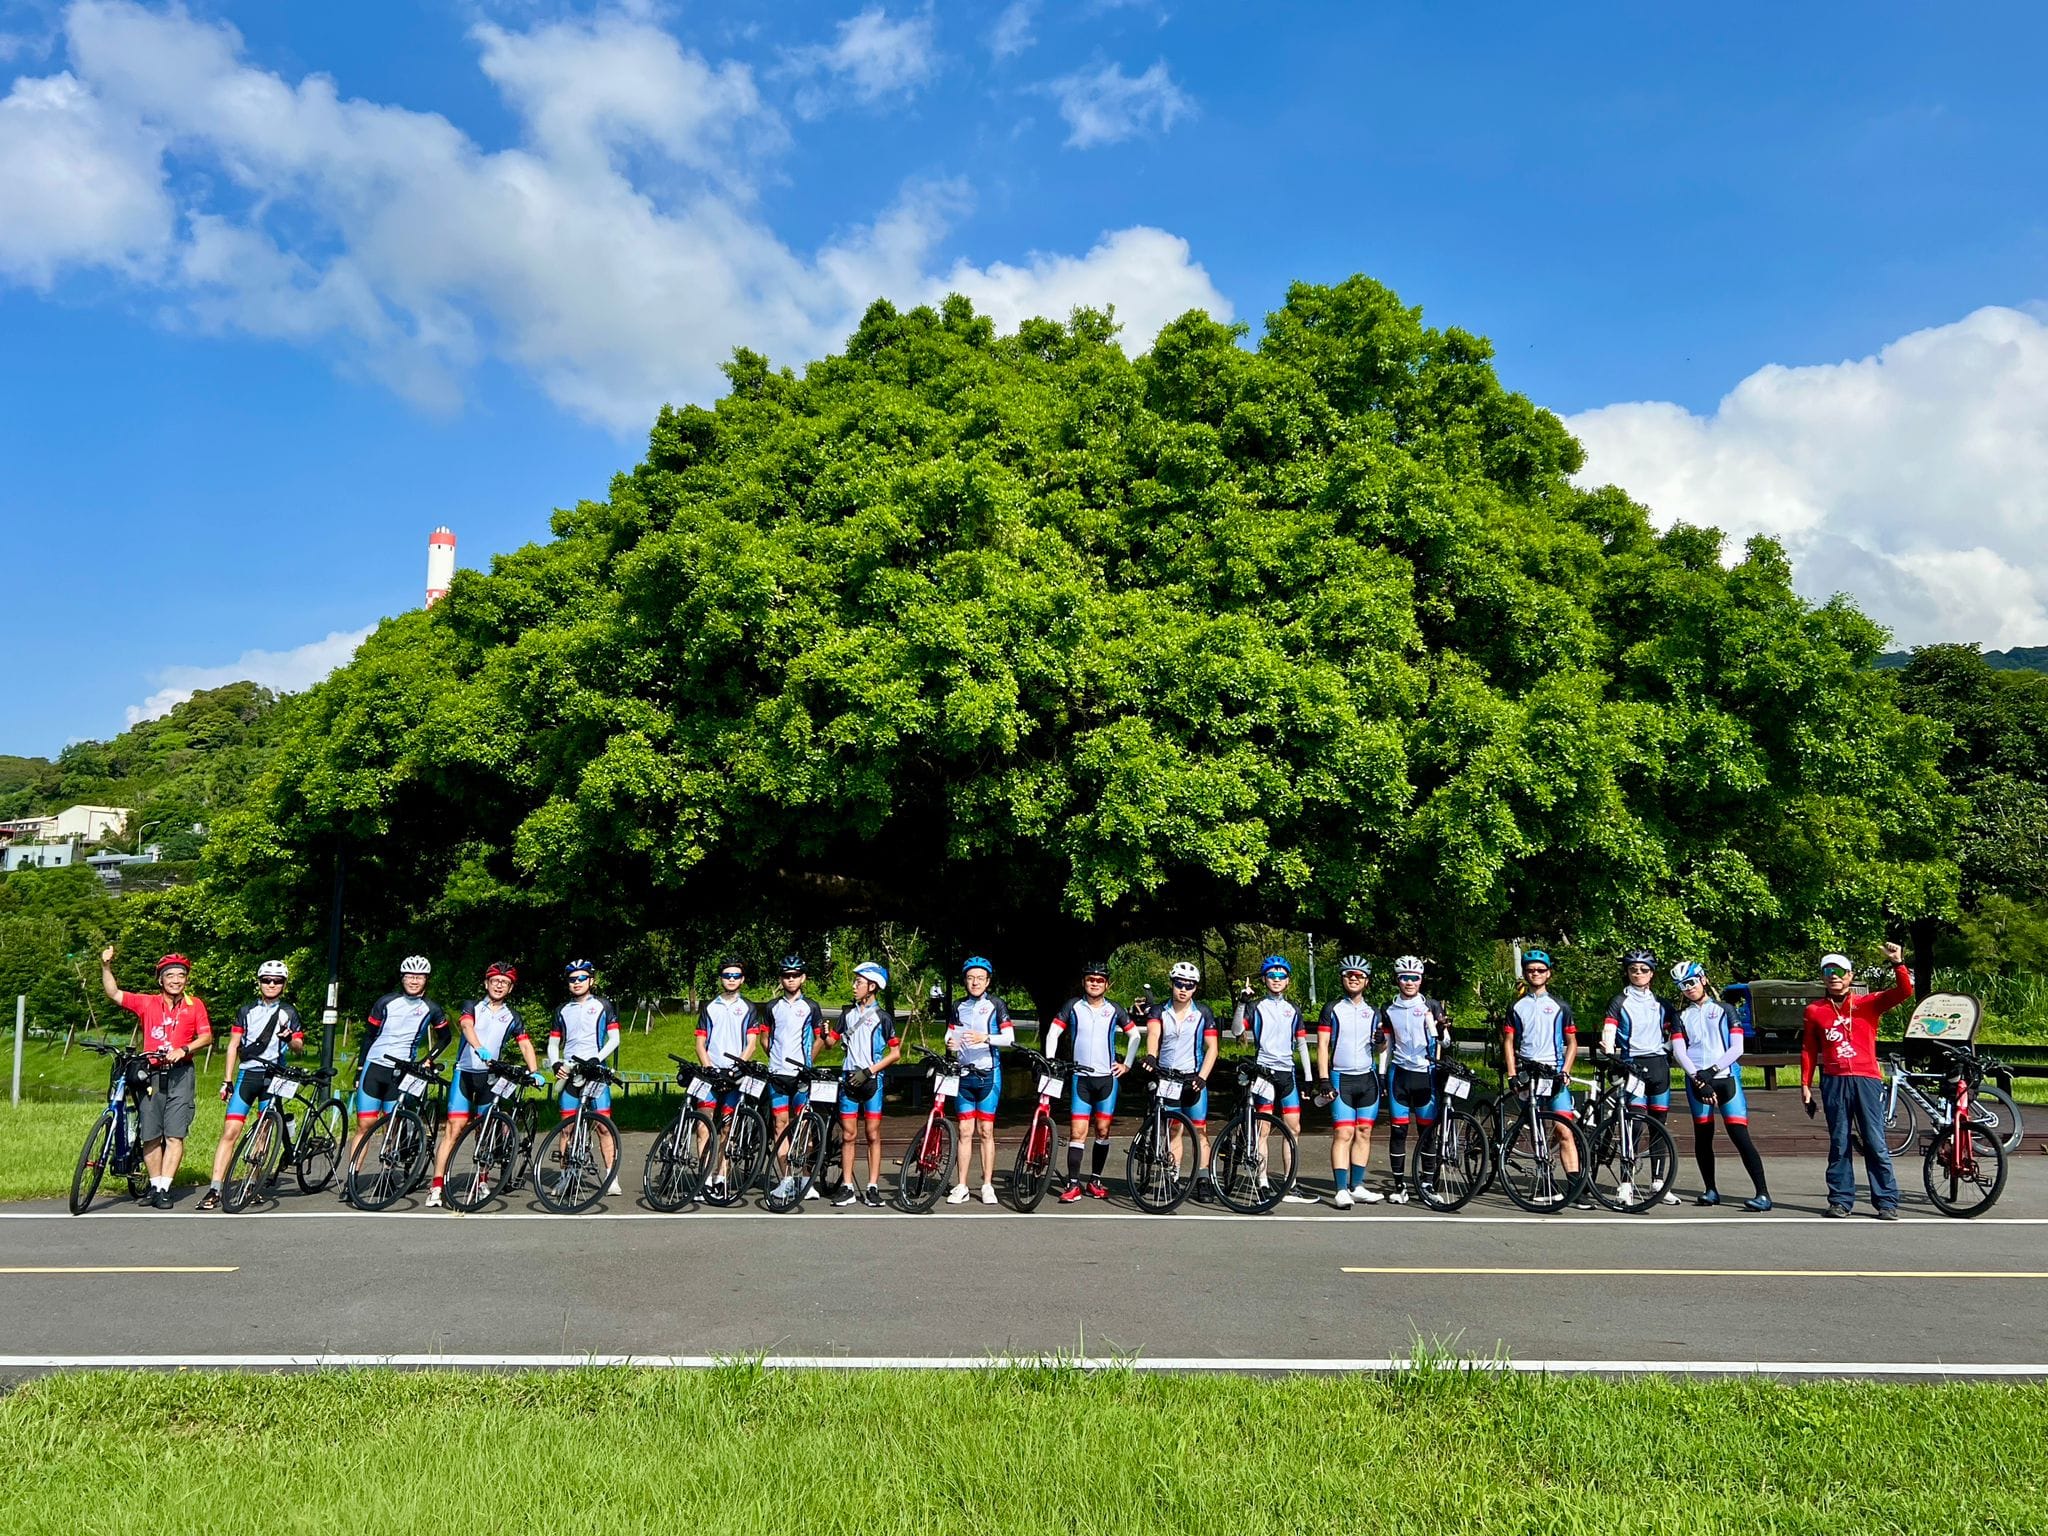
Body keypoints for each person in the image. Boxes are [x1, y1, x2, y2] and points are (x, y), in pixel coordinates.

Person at [1801, 942, 1913, 1219]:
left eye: (1840, 971)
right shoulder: (1815, 1010)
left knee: (1875, 1140)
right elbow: (1808, 1049)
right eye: (1828, 971)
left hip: (1866, 1079)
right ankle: (1840, 1199)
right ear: (1822, 977)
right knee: (1839, 1142)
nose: (1834, 976)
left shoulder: (1867, 1003)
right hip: (1834, 1080)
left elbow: (1904, 992)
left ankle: (1886, 1201)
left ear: (1850, 976)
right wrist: (1805, 1084)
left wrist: (1897, 963)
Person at [100, 945, 214, 1210]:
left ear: (186, 979)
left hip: (180, 1074)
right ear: (160, 979)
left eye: (181, 975)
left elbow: (206, 1037)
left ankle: (164, 1187)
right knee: (150, 1134)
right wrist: (106, 967)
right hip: (151, 1073)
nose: (176, 980)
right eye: (170, 975)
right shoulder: (147, 1002)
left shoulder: (194, 1005)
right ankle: (153, 1184)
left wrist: (184, 1049)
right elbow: (114, 993)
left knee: (175, 1134)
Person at [428, 961, 541, 1208]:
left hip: (490, 1079)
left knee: (486, 1132)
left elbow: (524, 1044)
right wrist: (479, 1047)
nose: (499, 985)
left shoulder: (512, 1016)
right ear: (486, 983)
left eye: (505, 982)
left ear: (510, 988)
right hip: (465, 1074)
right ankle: (437, 1185)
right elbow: (466, 1025)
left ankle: (481, 1179)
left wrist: (535, 1071)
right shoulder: (472, 1006)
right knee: (453, 1130)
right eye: (495, 981)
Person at [200, 959, 304, 1211]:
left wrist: (290, 1038)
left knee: (263, 1135)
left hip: (273, 1078)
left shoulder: (289, 1012)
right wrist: (227, 1079)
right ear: (259, 983)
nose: (271, 984)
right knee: (230, 1132)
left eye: (277, 981)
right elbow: (234, 1045)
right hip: (248, 1076)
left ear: (284, 984)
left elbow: (299, 1048)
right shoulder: (246, 1010)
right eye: (266, 980)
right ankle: (215, 1188)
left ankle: (252, 1183)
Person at [1668, 961, 1771, 1211]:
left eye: (1691, 982)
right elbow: (1680, 1052)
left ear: (1703, 979)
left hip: (1725, 1077)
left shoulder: (1725, 1009)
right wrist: (1697, 1078)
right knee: (1703, 1138)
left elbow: (1737, 1047)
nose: (1688, 989)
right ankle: (1710, 1190)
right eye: (1682, 986)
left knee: (1740, 1136)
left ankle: (1763, 1194)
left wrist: (1711, 1072)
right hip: (1697, 1080)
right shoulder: (1681, 1016)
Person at [348, 955, 449, 1170]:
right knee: (364, 1125)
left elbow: (445, 1037)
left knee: (393, 1124)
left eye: (419, 977)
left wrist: (428, 1059)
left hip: (403, 1070)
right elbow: (369, 1036)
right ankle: (352, 1175)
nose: (414, 981)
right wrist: (359, 1069)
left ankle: (388, 1171)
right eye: (410, 976)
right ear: (402, 978)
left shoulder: (432, 1008)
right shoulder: (385, 1002)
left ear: (426, 980)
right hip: (374, 1067)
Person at [1599, 949, 1683, 1206]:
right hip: (1631, 1065)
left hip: (1658, 1066)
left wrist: (1668, 1050)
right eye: (1634, 969)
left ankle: (1659, 1182)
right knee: (1633, 1125)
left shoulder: (1663, 1003)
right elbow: (1609, 1030)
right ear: (1627, 972)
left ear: (1652, 973)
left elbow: (1677, 1031)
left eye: (1644, 970)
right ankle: (1626, 1183)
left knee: (1659, 1124)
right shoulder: (1619, 1001)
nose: (1638, 974)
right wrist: (1610, 1051)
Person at [1501, 948, 1584, 1202]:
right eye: (1530, 970)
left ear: (1548, 974)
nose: (1535, 974)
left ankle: (1575, 1189)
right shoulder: (1517, 1006)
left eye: (1540, 970)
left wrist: (1565, 1071)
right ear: (1525, 974)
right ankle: (1544, 1183)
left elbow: (1572, 1042)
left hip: (1554, 1073)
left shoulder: (1560, 1006)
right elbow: (1508, 1041)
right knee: (1536, 1130)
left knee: (1564, 1130)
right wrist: (1512, 1074)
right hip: (1528, 1073)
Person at [1044, 961, 1131, 1202]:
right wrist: (1051, 1060)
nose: (1095, 983)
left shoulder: (1114, 1009)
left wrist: (1127, 1064)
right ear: (1084, 982)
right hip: (1081, 1079)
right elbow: (1053, 1031)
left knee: (1102, 1130)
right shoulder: (1073, 1006)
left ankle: (1095, 1180)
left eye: (1099, 980)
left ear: (1107, 984)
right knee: (1077, 1132)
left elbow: (1133, 1035)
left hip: (1107, 1079)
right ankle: (1073, 1184)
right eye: (1090, 979)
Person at [1233, 954, 1316, 1202]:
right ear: (1265, 980)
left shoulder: (1293, 1009)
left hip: (1287, 1072)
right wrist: (1241, 1002)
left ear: (1288, 981)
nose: (1277, 980)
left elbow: (1301, 1044)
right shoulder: (1256, 1006)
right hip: (1264, 1072)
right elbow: (1237, 1030)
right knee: (1264, 1128)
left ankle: (1291, 1182)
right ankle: (1262, 1181)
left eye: (1281, 976)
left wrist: (1309, 1078)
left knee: (1294, 1128)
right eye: (1272, 976)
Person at [1378, 954, 1451, 1205]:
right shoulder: (1388, 1008)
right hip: (1399, 1074)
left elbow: (1445, 1041)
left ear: (1421, 980)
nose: (1409, 982)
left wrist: (1442, 1031)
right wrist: (1380, 1073)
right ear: (1397, 980)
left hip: (1426, 1075)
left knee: (1427, 1133)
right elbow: (1386, 1045)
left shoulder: (1431, 1006)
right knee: (1398, 1131)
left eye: (1414, 978)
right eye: (1404, 978)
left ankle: (1427, 1184)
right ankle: (1399, 1187)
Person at [1145, 960, 1221, 1201]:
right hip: (1168, 1076)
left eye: (1189, 985)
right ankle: (1173, 1177)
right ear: (1172, 984)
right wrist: (1151, 1056)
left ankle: (1203, 1179)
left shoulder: (1203, 1013)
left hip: (1193, 1077)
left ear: (1195, 988)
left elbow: (1213, 1048)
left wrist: (1203, 1076)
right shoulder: (1159, 1011)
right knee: (1174, 1129)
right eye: (1179, 984)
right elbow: (1154, 1035)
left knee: (1200, 1131)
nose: (1183, 989)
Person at [828, 961, 901, 1207]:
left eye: (858, 982)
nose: (854, 986)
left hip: (872, 1081)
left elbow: (895, 1054)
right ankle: (847, 1186)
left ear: (872, 986)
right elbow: (830, 1042)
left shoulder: (883, 1018)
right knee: (849, 1135)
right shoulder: (847, 1014)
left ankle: (872, 1187)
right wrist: (823, 1033)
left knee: (872, 1134)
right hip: (848, 1077)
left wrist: (869, 1071)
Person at [1315, 956, 1385, 1209]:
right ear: (1343, 979)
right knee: (1343, 1132)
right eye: (1348, 975)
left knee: (1364, 1132)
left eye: (1358, 976)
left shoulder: (1374, 1011)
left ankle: (1357, 1186)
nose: (1353, 979)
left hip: (1367, 1077)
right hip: (1340, 1077)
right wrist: (1323, 1078)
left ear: (1366, 981)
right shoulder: (1332, 1008)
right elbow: (1323, 1046)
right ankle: (1341, 1189)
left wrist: (1381, 1041)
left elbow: (1382, 1047)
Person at [549, 958, 622, 1196]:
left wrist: (597, 1059)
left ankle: (611, 1177)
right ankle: (565, 1177)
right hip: (571, 1073)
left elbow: (615, 1039)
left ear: (591, 980)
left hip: (595, 1072)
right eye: (572, 979)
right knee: (566, 1129)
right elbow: (552, 1043)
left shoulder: (603, 1005)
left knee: (603, 1126)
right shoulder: (562, 1010)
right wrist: (556, 1063)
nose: (577, 982)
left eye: (581, 978)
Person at [944, 957, 1014, 1205]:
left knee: (986, 1131)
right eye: (970, 978)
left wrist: (985, 1038)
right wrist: (949, 1043)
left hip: (988, 1074)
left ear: (988, 981)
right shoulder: (958, 1005)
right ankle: (961, 1185)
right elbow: (950, 1033)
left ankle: (986, 1185)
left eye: (980, 978)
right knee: (964, 1131)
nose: (975, 982)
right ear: (965, 980)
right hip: (964, 1075)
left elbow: (1009, 1038)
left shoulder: (996, 1004)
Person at [695, 955, 764, 1201]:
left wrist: (739, 1066)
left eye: (736, 975)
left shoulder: (749, 1008)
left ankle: (720, 1177)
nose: (731, 979)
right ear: (721, 978)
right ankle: (702, 1180)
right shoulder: (710, 1006)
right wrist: (708, 1066)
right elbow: (700, 1042)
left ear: (742, 979)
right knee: (703, 1125)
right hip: (711, 1072)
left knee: (727, 1127)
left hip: (734, 1075)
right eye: (727, 975)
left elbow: (752, 1043)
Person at [766, 955, 825, 1204]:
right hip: (777, 1074)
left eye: (795, 975)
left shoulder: (811, 1006)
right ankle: (787, 1179)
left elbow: (821, 1037)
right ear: (781, 979)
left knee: (803, 1128)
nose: (790, 979)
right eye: (786, 975)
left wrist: (807, 1061)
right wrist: (776, 1058)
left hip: (801, 1075)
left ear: (803, 978)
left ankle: (805, 1179)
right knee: (781, 1126)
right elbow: (765, 1039)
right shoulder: (771, 1007)